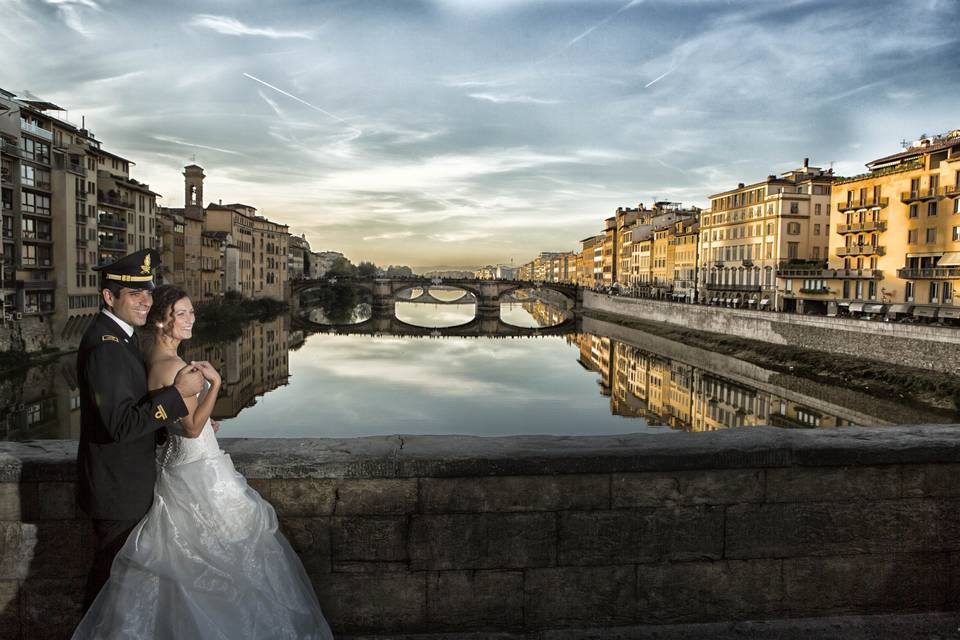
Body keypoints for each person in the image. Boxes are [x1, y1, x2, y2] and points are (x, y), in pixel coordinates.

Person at [72, 285, 333, 639]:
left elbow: (169, 417)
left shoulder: (150, 357)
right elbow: (193, 429)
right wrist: (215, 386)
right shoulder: (175, 367)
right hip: (196, 468)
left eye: (192, 312)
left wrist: (191, 414)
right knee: (228, 563)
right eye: (182, 313)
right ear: (164, 321)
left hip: (176, 467)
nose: (191, 318)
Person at [77, 249, 205, 611]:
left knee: (119, 586)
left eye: (148, 293)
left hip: (124, 484)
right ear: (108, 296)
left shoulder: (122, 336)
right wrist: (178, 395)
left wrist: (170, 427)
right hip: (117, 489)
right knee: (109, 588)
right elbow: (120, 424)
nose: (146, 301)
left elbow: (133, 412)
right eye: (135, 294)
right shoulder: (106, 347)